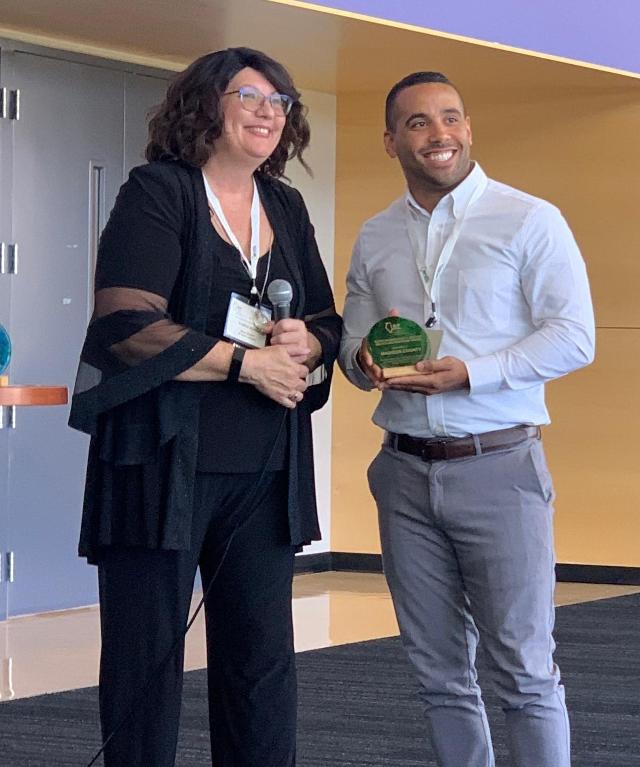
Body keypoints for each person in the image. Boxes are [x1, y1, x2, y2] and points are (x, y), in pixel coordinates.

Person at [69, 47, 341, 767]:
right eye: (249, 94)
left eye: (280, 101)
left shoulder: (284, 204)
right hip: (161, 466)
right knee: (145, 664)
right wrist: (248, 362)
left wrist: (304, 342)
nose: (267, 111)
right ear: (203, 105)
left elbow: (328, 322)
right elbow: (126, 325)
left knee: (262, 662)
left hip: (264, 469)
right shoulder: (158, 191)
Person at [338, 71, 594, 767]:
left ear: (470, 128)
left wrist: (473, 371)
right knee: (439, 674)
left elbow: (575, 335)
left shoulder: (528, 218)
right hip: (403, 471)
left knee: (524, 671)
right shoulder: (376, 235)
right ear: (391, 140)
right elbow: (352, 355)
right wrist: (364, 359)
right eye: (418, 122)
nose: (439, 133)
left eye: (451, 117)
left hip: (499, 468)